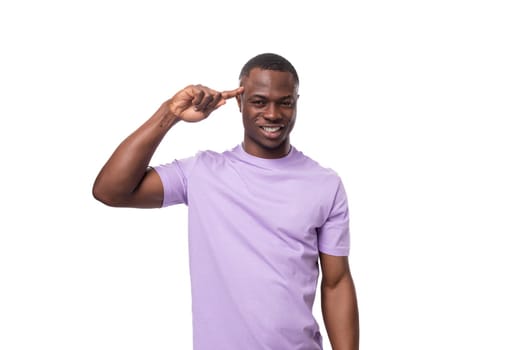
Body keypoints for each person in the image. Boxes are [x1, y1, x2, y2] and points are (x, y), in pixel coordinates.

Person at [92, 53, 359, 350]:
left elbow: (336, 282)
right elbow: (110, 191)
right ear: (239, 102)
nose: (273, 114)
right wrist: (170, 113)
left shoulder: (324, 183)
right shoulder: (201, 173)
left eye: (285, 102)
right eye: (259, 101)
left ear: (297, 102)